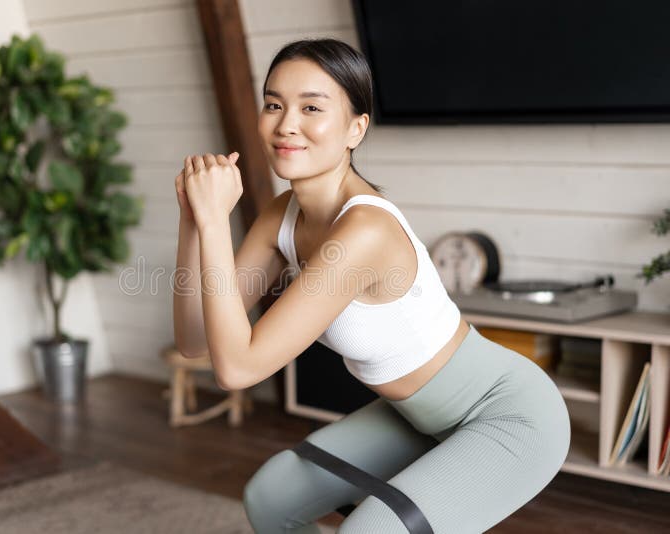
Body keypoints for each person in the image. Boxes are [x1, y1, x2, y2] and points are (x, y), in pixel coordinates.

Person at [172, 38, 571, 534]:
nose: (285, 124)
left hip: (510, 418)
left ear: (355, 128)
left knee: (370, 530)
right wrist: (194, 220)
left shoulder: (364, 232)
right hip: (416, 416)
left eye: (311, 107)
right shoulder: (283, 215)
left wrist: (216, 225)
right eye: (273, 103)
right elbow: (194, 341)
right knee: (270, 497)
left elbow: (237, 368)